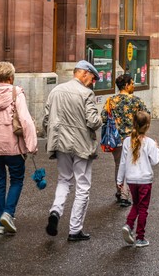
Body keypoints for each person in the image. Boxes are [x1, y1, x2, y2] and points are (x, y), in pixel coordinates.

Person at [0, 61, 38, 235]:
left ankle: (0, 224)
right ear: (11, 77)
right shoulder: (16, 93)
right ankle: (8, 213)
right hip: (12, 146)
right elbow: (25, 120)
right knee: (17, 180)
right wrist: (32, 145)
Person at [44, 60, 103, 241]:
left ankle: (55, 211)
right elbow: (93, 121)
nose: (92, 82)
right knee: (82, 185)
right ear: (84, 73)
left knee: (64, 180)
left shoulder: (56, 91)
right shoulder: (86, 93)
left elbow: (46, 119)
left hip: (60, 142)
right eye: (92, 78)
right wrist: (101, 118)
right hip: (81, 144)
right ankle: (75, 229)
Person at [105, 73, 150, 208]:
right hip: (133, 138)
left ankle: (120, 191)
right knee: (131, 164)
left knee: (119, 164)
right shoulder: (136, 101)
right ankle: (125, 195)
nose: (133, 85)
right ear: (126, 85)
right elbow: (146, 116)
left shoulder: (111, 101)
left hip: (116, 139)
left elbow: (103, 117)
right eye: (131, 83)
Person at [117, 111, 159, 248]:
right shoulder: (150, 143)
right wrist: (157, 148)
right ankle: (140, 237)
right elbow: (155, 161)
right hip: (144, 180)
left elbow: (123, 163)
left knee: (135, 204)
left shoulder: (127, 141)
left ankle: (129, 225)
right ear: (147, 125)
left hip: (131, 179)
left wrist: (120, 180)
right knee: (143, 208)